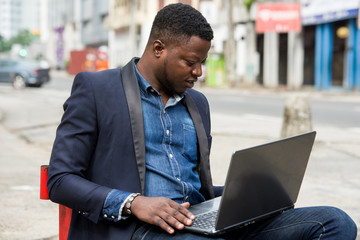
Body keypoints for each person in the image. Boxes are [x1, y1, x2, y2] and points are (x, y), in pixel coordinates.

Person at [47, 3, 357, 240]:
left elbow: (196, 189)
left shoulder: (198, 103)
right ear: (158, 49)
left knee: (334, 222)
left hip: (199, 221)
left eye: (202, 63)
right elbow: (60, 181)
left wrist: (251, 195)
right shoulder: (97, 89)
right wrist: (135, 202)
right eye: (190, 62)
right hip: (138, 229)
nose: (199, 73)